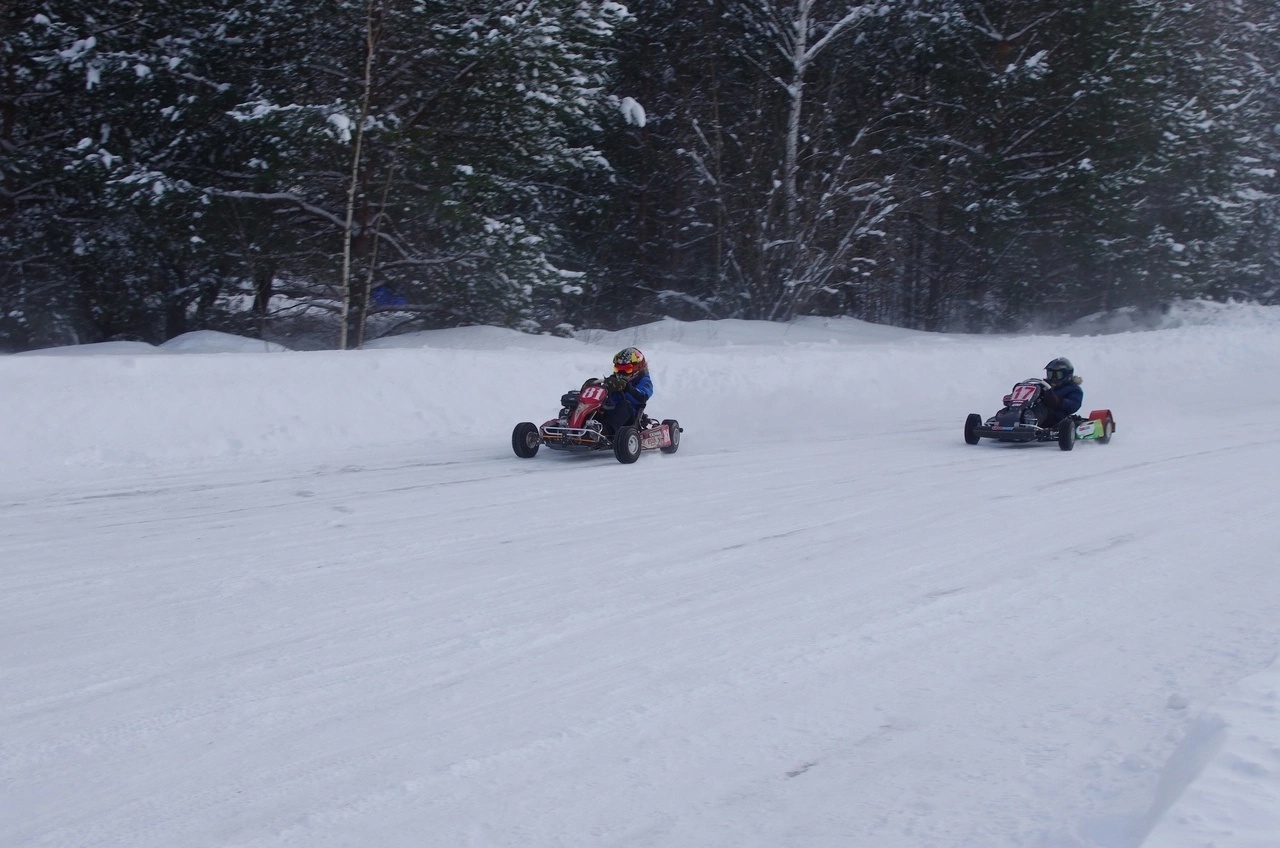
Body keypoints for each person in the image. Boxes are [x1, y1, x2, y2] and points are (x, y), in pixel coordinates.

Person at [598, 347, 653, 434]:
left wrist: (627, 387)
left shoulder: (644, 380)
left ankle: (606, 431)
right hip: (609, 409)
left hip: (628, 417)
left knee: (625, 405)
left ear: (637, 367)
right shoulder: (614, 379)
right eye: (618, 369)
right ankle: (581, 426)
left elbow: (642, 396)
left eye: (626, 369)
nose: (621, 373)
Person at [1036, 356, 1083, 428]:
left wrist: (1059, 401)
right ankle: (1016, 421)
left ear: (1067, 375)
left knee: (1043, 409)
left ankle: (1031, 424)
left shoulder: (1074, 389)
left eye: (1057, 375)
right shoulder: (1042, 386)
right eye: (1051, 375)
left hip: (1058, 417)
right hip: (1036, 412)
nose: (1053, 378)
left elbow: (1074, 405)